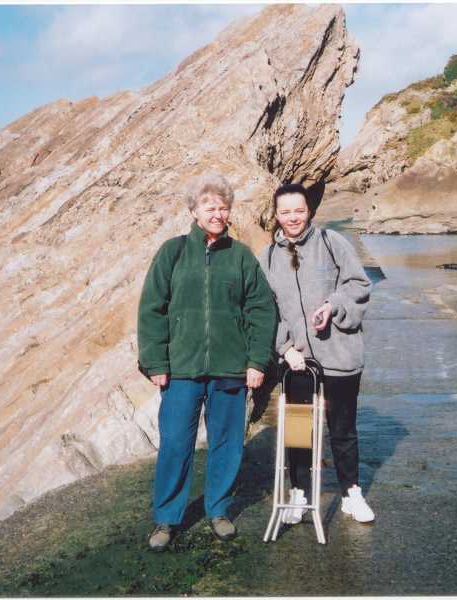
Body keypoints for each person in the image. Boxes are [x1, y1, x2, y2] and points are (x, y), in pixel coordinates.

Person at [137, 172, 277, 551]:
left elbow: (262, 310)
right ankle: (166, 518)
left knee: (228, 443)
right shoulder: (173, 252)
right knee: (176, 443)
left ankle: (219, 510)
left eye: (222, 206)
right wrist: (155, 362)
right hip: (181, 368)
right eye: (209, 206)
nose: (217, 213)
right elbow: (152, 309)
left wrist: (257, 361)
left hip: (231, 368)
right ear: (194, 211)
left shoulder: (241, 256)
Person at [258, 183, 375, 524]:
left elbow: (358, 285)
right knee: (298, 430)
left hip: (340, 354)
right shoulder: (267, 258)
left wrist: (332, 306)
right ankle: (300, 494)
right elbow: (266, 311)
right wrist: (285, 348)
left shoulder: (332, 242)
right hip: (297, 361)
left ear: (308, 211)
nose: (292, 217)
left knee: (342, 429)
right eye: (285, 212)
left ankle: (352, 493)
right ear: (276, 216)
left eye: (298, 210)